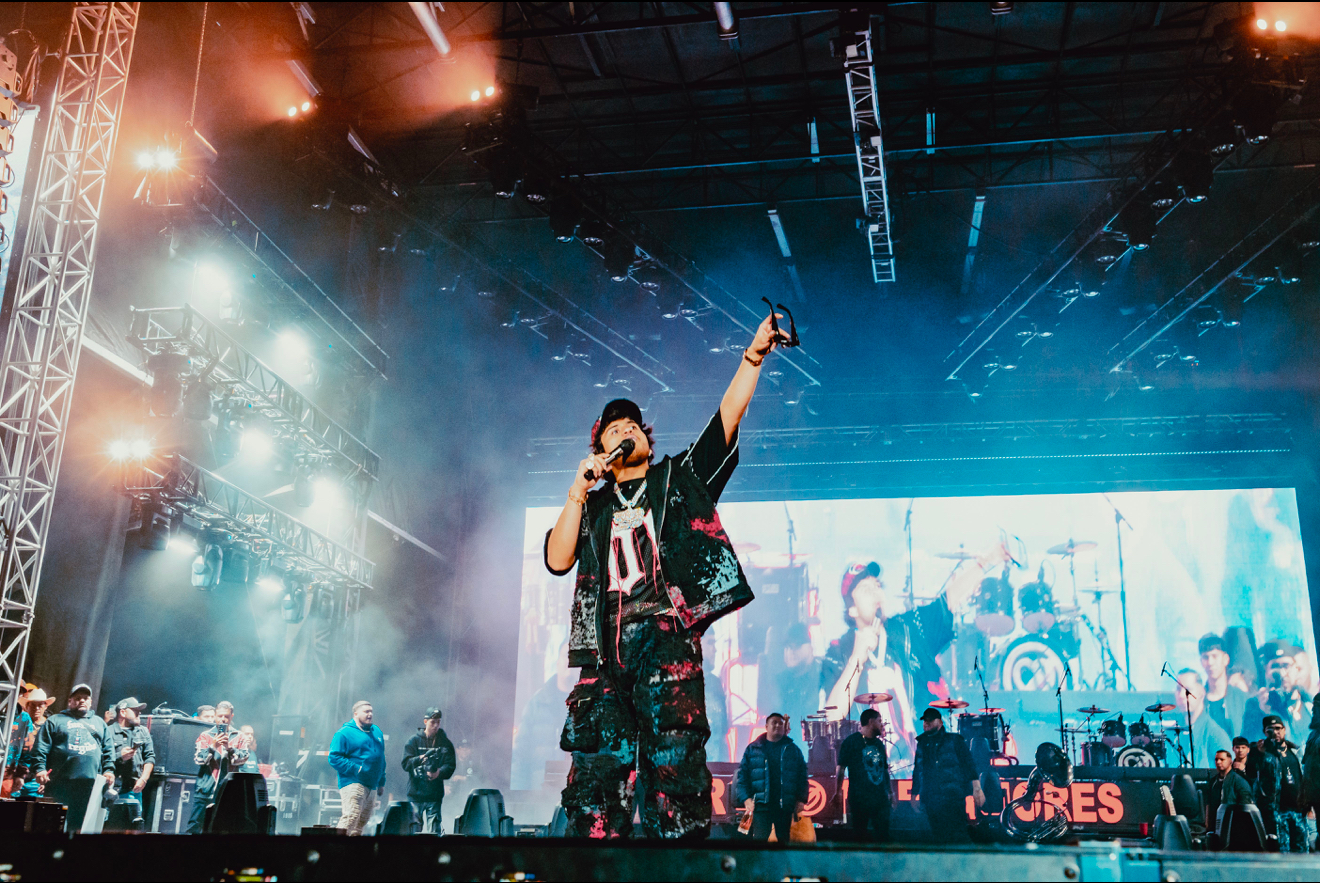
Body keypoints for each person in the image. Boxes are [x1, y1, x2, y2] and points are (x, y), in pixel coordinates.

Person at [545, 315, 783, 839]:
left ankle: (674, 861)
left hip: (664, 637)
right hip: (604, 651)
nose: (625, 431)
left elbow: (724, 424)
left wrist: (753, 357)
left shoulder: (676, 480)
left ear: (648, 441)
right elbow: (558, 559)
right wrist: (577, 491)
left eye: (633, 426)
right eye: (614, 429)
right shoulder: (592, 507)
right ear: (601, 450)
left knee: (674, 771)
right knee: (595, 784)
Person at [820, 549, 1008, 763]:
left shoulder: (908, 629)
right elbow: (832, 716)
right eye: (865, 589)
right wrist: (856, 659)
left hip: (925, 762)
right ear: (851, 609)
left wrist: (985, 562)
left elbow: (948, 601)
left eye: (877, 586)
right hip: (869, 767)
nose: (875, 593)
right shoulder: (840, 651)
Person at [30, 684, 115, 831]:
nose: (82, 701)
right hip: (59, 783)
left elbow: (108, 749)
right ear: (70, 701)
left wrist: (109, 770)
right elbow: (41, 748)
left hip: (89, 785)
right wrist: (40, 769)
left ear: (90, 701)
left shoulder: (99, 723)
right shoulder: (55, 720)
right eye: (77, 698)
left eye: (85, 698)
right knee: (52, 824)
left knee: (80, 826)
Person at [912, 708, 984, 842]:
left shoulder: (955, 740)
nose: (926, 723)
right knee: (938, 834)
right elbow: (918, 769)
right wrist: (914, 793)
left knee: (957, 833)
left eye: (930, 720)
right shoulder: (922, 743)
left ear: (940, 722)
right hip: (931, 797)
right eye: (925, 721)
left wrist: (977, 787)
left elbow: (969, 764)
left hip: (953, 796)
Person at [734, 713, 808, 842]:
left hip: (784, 806)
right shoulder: (753, 749)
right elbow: (742, 777)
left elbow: (802, 777)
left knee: (784, 843)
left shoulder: (793, 750)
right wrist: (746, 799)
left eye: (781, 723)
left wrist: (801, 799)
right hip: (761, 806)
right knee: (760, 842)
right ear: (766, 726)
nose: (778, 725)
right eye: (774, 722)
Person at [510, 643, 573, 791]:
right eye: (566, 655)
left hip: (579, 794)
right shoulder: (537, 703)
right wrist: (520, 794)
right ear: (557, 663)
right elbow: (520, 756)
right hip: (539, 793)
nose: (570, 660)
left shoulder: (592, 704)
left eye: (575, 656)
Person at [187, 700, 249, 834]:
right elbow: (199, 759)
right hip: (205, 790)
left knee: (223, 828)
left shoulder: (239, 737)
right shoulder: (205, 736)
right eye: (220, 716)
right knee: (196, 827)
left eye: (226, 716)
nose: (223, 719)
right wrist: (213, 746)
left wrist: (230, 748)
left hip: (228, 791)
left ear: (232, 716)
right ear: (215, 716)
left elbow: (244, 758)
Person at [329, 700, 387, 836]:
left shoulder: (376, 731)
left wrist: (381, 782)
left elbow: (381, 758)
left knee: (361, 822)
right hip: (353, 782)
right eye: (366, 711)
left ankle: (352, 849)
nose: (370, 714)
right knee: (351, 817)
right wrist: (357, 769)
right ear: (356, 714)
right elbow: (334, 757)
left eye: (371, 711)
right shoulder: (344, 733)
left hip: (372, 785)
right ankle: (334, 847)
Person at [1250, 714, 1307, 852]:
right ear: (1264, 732)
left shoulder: (1295, 751)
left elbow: (1303, 777)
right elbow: (1251, 772)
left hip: (1298, 810)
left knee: (1301, 851)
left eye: (1278, 728)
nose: (1275, 732)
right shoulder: (1261, 751)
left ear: (1284, 729)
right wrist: (1260, 753)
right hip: (1277, 811)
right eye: (1270, 729)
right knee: (1283, 852)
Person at [834, 708, 891, 842]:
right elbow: (841, 768)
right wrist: (838, 792)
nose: (881, 724)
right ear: (871, 722)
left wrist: (890, 792)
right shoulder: (851, 742)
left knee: (883, 834)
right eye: (879, 721)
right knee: (860, 835)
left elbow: (884, 769)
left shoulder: (879, 744)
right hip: (859, 797)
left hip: (880, 798)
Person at [1243, 642, 1313, 745]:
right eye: (1275, 667)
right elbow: (1248, 747)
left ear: (1296, 669)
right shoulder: (1255, 707)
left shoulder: (1310, 704)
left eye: (1286, 666)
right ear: (1266, 672)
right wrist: (1263, 715)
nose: (1282, 673)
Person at [402, 707, 455, 834]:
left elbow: (450, 765)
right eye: (433, 722)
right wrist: (420, 759)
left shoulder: (445, 743)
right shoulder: (413, 741)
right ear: (425, 722)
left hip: (434, 795)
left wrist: (438, 773)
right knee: (414, 831)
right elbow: (405, 764)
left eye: (438, 722)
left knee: (434, 832)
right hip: (416, 793)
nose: (436, 725)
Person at [105, 697, 155, 829]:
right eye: (135, 710)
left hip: (134, 790)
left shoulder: (143, 731)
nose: (139, 713)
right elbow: (100, 759)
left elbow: (150, 757)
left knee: (133, 828)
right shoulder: (108, 731)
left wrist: (143, 779)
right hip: (110, 790)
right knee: (109, 828)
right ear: (123, 712)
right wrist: (119, 756)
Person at [1174, 669, 1232, 766]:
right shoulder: (1173, 733)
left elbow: (1228, 772)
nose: (1181, 695)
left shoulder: (1215, 735)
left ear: (1201, 692)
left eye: (1188, 690)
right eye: (1178, 689)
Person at [775, 623, 822, 734]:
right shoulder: (780, 681)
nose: (791, 651)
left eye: (797, 646)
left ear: (810, 647)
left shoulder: (823, 677)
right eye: (787, 647)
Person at [1199, 634, 1248, 739]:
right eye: (1205, 657)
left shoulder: (1242, 699)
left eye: (1215, 656)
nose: (1210, 662)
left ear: (1226, 659)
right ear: (1201, 662)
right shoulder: (1198, 700)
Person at [1204, 749, 1253, 832]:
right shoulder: (1213, 782)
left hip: (1233, 826)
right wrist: (1207, 822)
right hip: (1215, 825)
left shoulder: (1239, 781)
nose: (1218, 762)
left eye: (1222, 759)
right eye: (1216, 759)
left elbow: (1245, 805)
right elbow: (1208, 802)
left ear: (1230, 761)